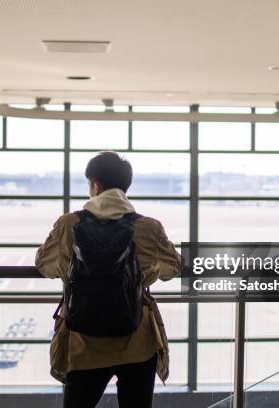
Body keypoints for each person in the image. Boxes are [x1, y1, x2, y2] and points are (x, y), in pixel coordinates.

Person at [36, 151, 181, 408]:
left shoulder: (68, 223)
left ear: (96, 185)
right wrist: (149, 271)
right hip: (137, 338)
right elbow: (175, 268)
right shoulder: (150, 227)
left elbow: (44, 266)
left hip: (84, 340)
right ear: (126, 187)